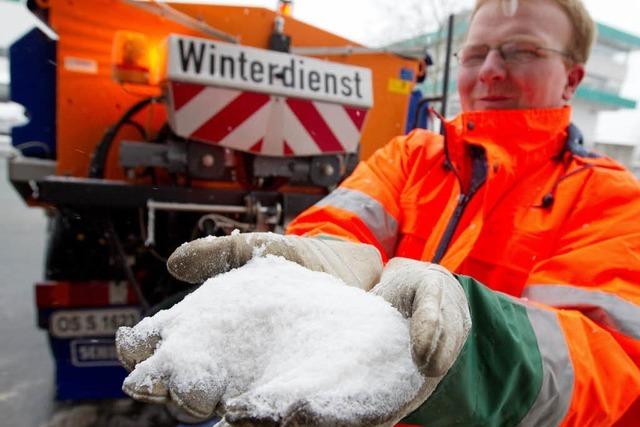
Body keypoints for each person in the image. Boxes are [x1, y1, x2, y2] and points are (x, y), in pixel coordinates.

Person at [120, 0, 640, 425]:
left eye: (521, 52)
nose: (489, 71)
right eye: (474, 53)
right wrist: (316, 264)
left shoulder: (611, 198)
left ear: (572, 79)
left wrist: (471, 352)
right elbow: (337, 228)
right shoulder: (412, 156)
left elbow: (608, 361)